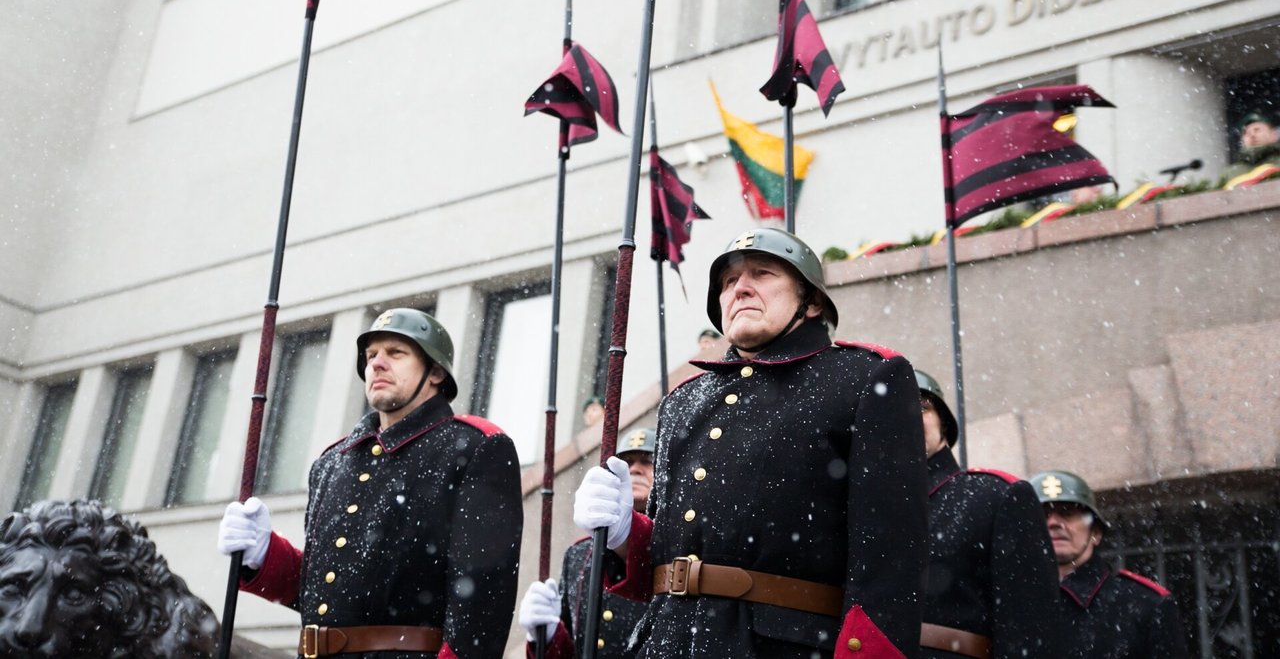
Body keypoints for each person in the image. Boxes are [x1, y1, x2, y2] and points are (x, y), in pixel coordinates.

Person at [574, 228, 928, 658]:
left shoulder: (861, 378)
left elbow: (888, 558)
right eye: (727, 283)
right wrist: (627, 534)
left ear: (812, 301)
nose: (739, 288)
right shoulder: (683, 402)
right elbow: (675, 551)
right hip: (667, 643)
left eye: (761, 274)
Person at [217, 308, 523, 659]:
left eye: (396, 353)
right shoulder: (332, 461)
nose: (376, 364)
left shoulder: (474, 448)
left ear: (436, 372)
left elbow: (482, 607)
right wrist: (263, 555)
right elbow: (327, 595)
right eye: (371, 355)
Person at [915, 370, 1061, 658]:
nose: (906, 415)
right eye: (893, 408)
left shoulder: (994, 496)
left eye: (921, 406)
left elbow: (1030, 628)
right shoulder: (859, 509)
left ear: (944, 426)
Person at [518, 427, 656, 658]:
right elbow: (570, 650)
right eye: (627, 462)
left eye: (647, 460)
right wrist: (548, 636)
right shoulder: (578, 555)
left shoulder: (675, 545)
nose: (635, 469)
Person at [1030, 470, 1189, 658]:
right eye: (1041, 515)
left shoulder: (1145, 605)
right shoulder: (1008, 603)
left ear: (1095, 533)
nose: (1054, 523)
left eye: (1067, 512)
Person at [1225, 112, 1280, 183]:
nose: (1252, 135)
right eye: (1246, 133)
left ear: (1273, 135)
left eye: (1257, 130)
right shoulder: (1229, 174)